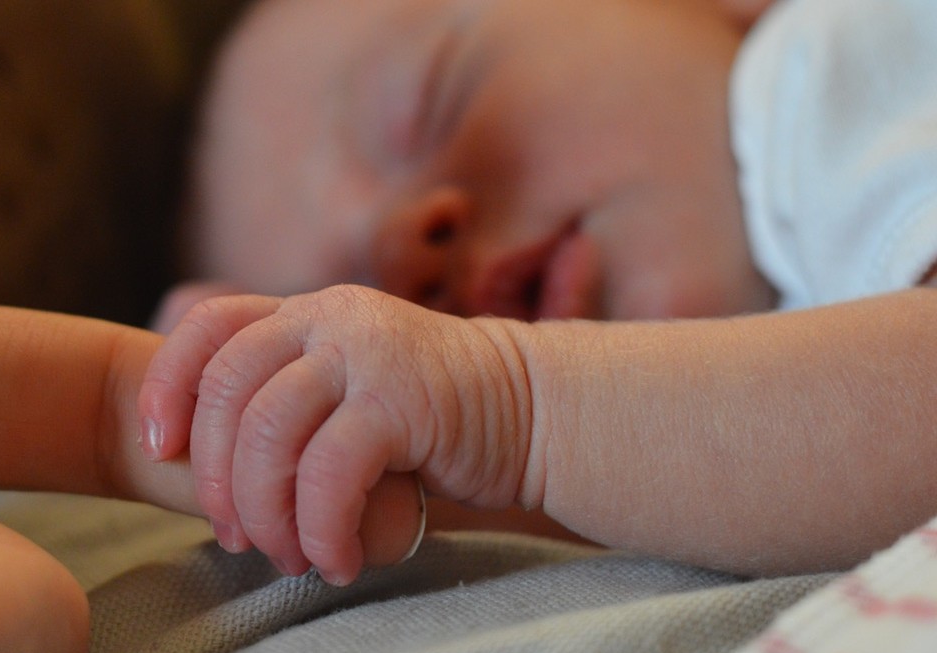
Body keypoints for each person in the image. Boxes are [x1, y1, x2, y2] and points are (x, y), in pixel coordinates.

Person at [139, 0, 937, 586]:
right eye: (352, 295)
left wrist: (512, 404)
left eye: (429, 101)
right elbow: (666, 470)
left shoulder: (823, 70)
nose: (400, 245)